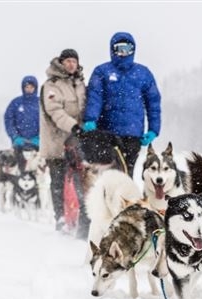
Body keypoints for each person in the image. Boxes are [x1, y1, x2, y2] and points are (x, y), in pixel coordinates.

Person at [82, 32, 161, 177]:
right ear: (113, 49)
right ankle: (107, 198)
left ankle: (126, 199)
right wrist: (90, 119)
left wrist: (153, 130)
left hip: (133, 133)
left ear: (133, 49)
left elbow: (153, 103)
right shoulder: (102, 71)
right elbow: (95, 97)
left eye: (127, 49)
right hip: (107, 134)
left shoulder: (143, 73)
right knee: (108, 173)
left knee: (127, 173)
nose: (123, 53)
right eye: (120, 48)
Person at [39, 48, 90, 238]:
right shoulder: (52, 85)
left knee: (80, 181)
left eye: (74, 61)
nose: (71, 64)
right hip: (57, 141)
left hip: (77, 142)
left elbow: (85, 108)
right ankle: (60, 217)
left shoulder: (80, 84)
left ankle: (78, 216)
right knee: (59, 181)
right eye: (67, 61)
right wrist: (75, 126)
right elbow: (55, 111)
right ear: (61, 63)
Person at [4, 75, 40, 169]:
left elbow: (47, 122)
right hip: (19, 144)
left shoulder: (41, 103)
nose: (29, 89)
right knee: (18, 169)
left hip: (38, 144)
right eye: (27, 87)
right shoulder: (16, 103)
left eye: (31, 87)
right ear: (23, 88)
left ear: (35, 88)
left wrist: (40, 138)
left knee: (38, 169)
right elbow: (9, 120)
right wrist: (15, 136)